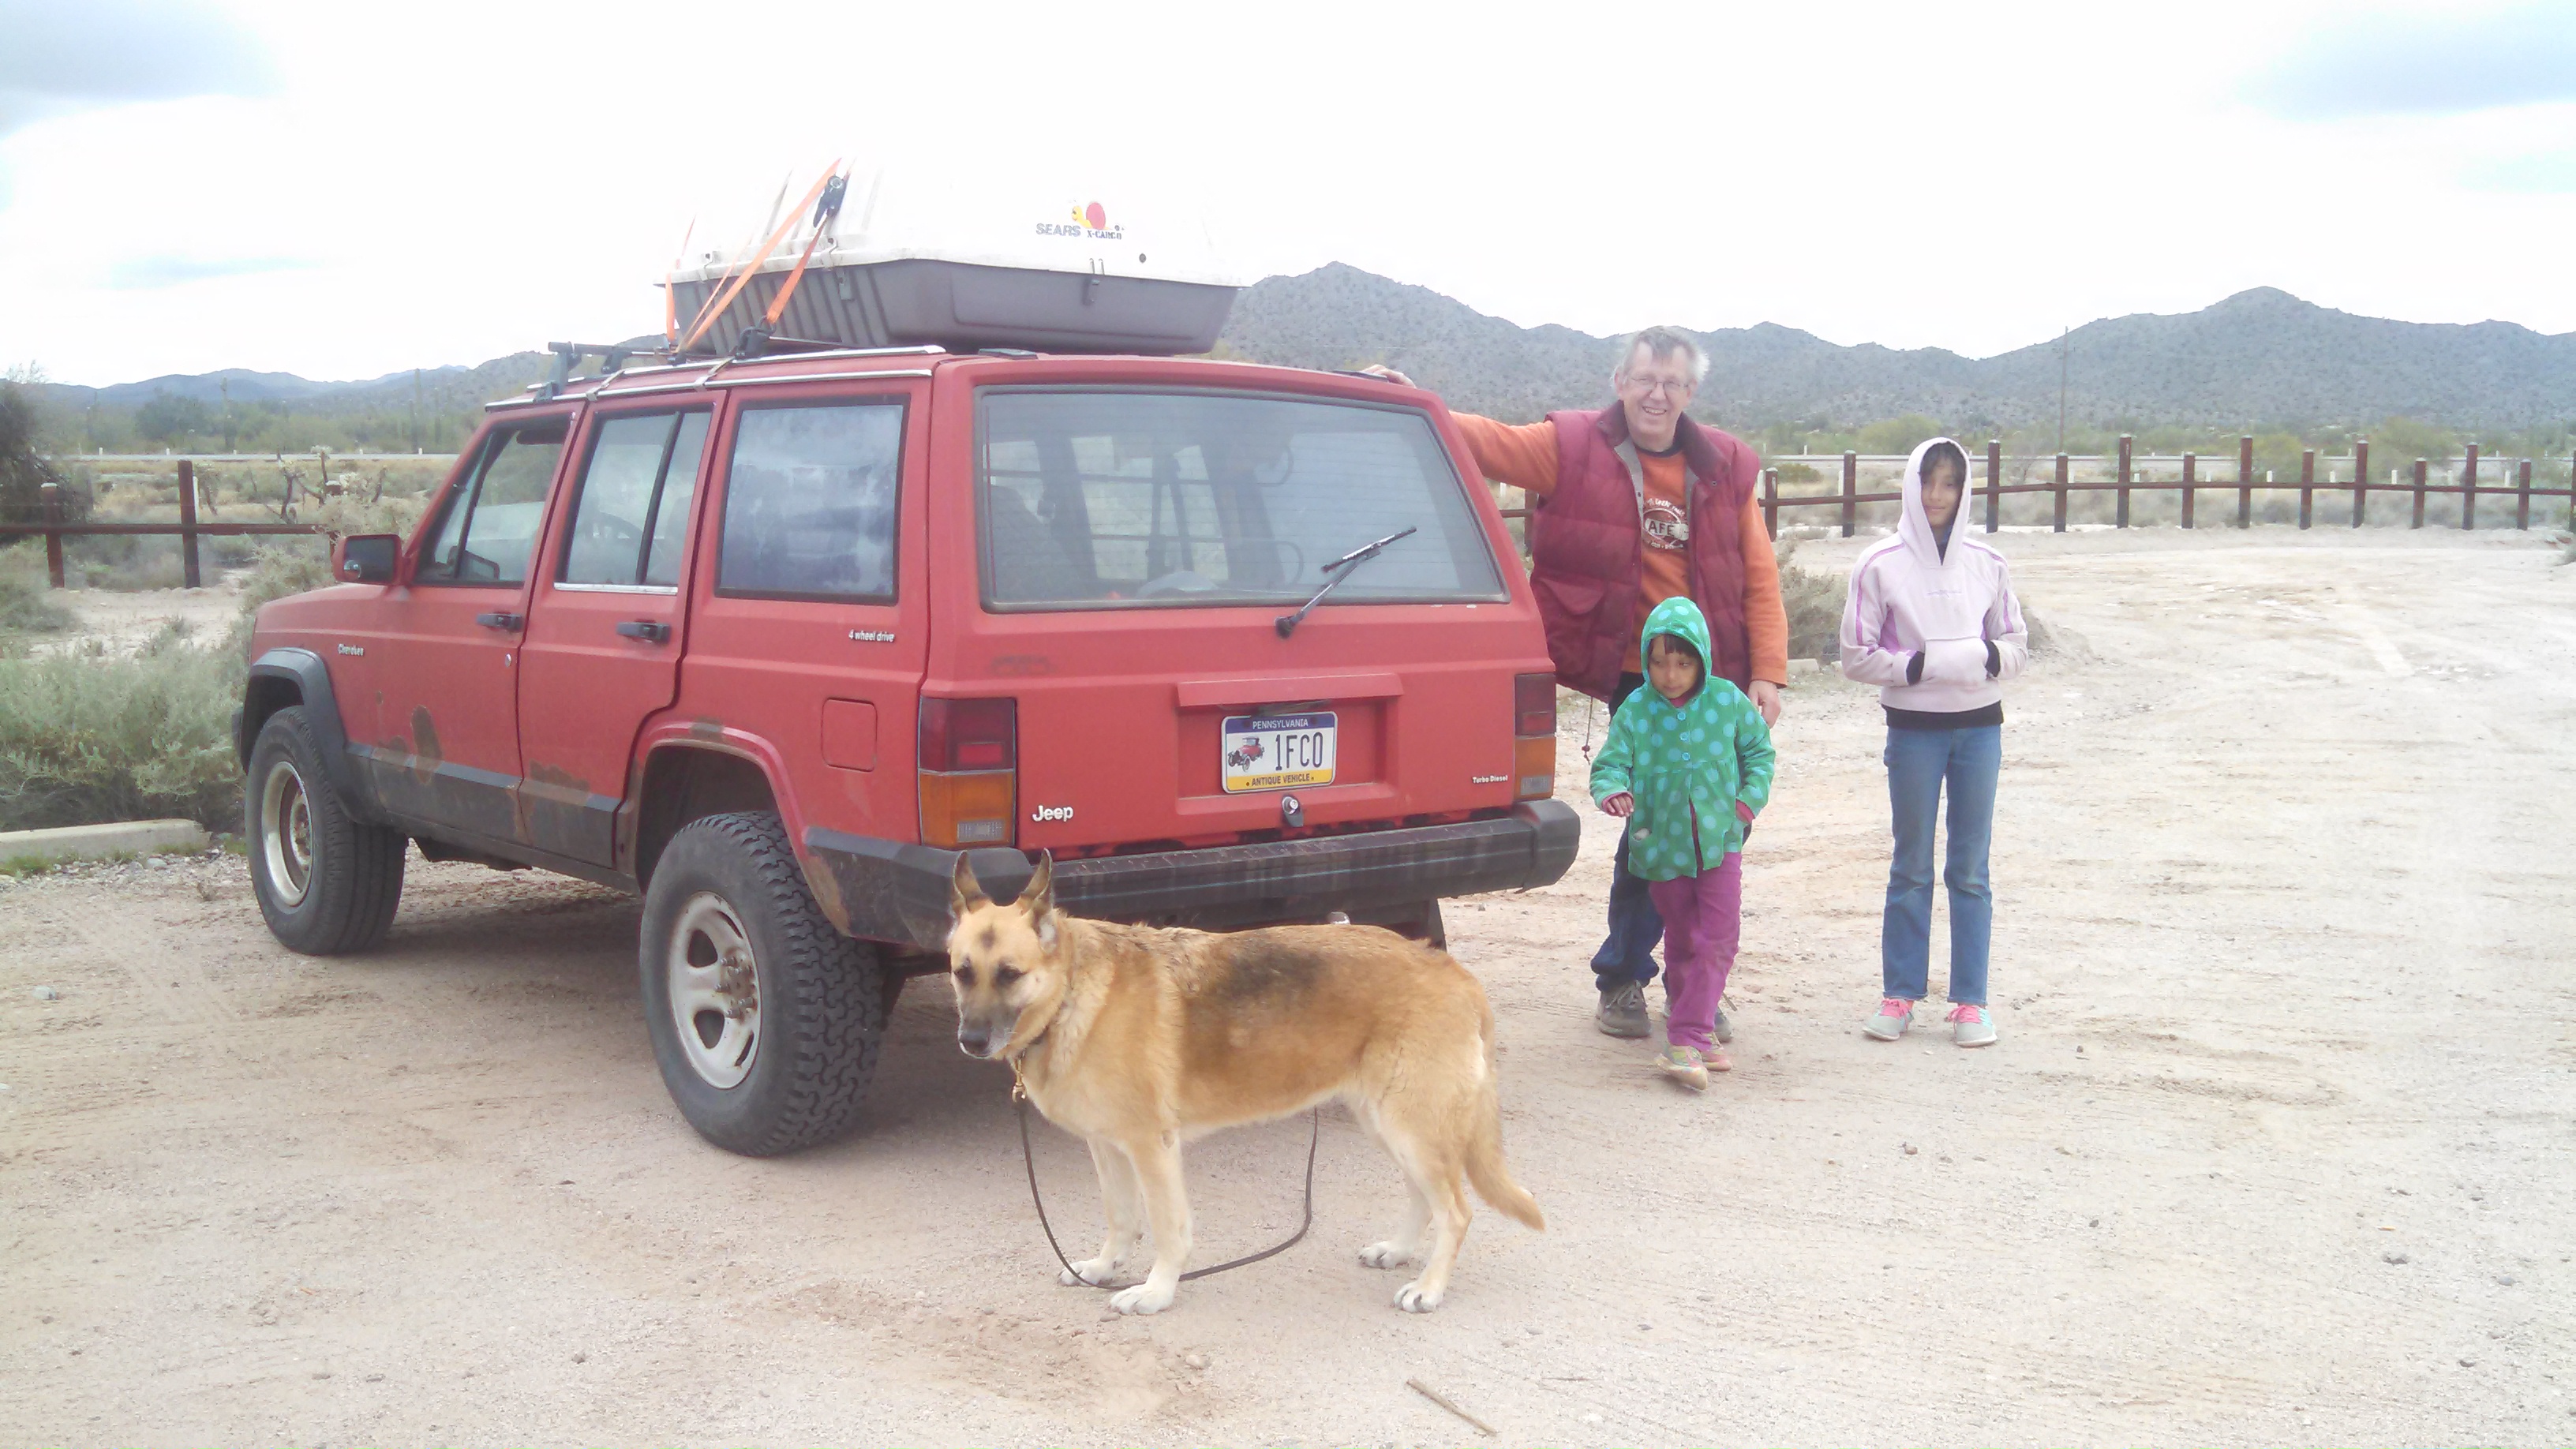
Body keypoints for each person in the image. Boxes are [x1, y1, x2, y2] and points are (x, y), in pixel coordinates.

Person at [1366, 328, 1788, 1043]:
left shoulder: (1725, 466)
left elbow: (1759, 573)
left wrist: (1770, 673)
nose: (1658, 394)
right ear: (1620, 381)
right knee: (1655, 829)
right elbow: (1488, 442)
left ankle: (1692, 982)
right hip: (1640, 678)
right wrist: (1415, 401)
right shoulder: (1574, 445)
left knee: (1705, 835)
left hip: (1706, 683)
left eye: (1674, 383)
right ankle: (1625, 976)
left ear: (1691, 394)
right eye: (1645, 378)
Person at [1838, 437, 2028, 1047]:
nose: (1937, 495)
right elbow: (1855, 655)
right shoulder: (1880, 564)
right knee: (1911, 864)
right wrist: (1914, 669)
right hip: (1914, 733)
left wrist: (1984, 657)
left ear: (1965, 488)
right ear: (1911, 484)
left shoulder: (1988, 562)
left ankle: (1971, 1002)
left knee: (1970, 868)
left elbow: (2017, 644)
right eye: (1928, 481)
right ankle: (1900, 994)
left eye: (1950, 483)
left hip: (1980, 731)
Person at [1586, 597, 1773, 1090]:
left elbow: (1759, 752)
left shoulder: (1727, 701)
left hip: (1720, 842)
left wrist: (1748, 801)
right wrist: (1613, 792)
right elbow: (1609, 765)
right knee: (1685, 937)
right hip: (1660, 847)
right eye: (1659, 661)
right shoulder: (1637, 710)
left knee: (1720, 935)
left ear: (1702, 660)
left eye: (1683, 662)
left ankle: (1685, 1035)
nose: (1671, 674)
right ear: (1646, 660)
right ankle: (1699, 1026)